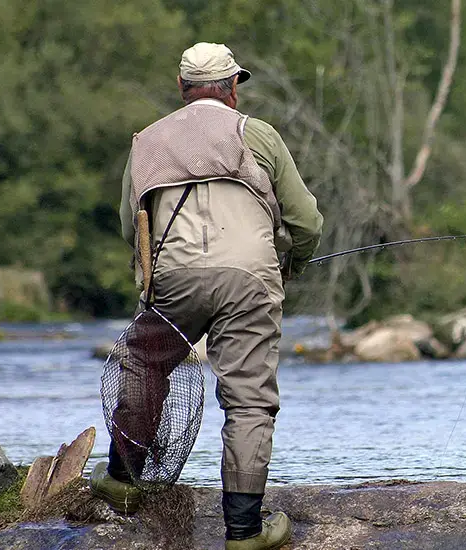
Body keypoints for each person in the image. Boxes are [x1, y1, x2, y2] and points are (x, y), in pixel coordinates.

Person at [90, 42, 323, 550]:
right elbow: (307, 221)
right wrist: (292, 263)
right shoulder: (257, 134)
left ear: (181, 88)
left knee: (142, 363)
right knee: (248, 399)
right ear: (233, 86)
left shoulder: (147, 142)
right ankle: (243, 532)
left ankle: (122, 481)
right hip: (251, 280)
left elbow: (134, 227)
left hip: (173, 278)